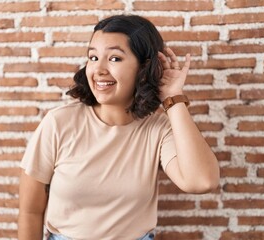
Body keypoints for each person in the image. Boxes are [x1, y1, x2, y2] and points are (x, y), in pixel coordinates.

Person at [18, 15, 220, 240]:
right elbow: (30, 211)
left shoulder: (158, 129)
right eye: (93, 57)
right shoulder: (59, 123)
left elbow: (202, 181)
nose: (99, 69)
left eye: (114, 58)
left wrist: (173, 98)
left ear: (144, 67)